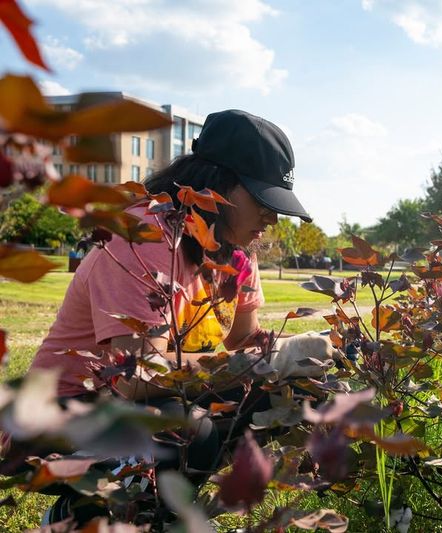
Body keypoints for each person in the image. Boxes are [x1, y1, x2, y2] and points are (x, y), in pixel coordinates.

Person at [26, 109, 329, 523]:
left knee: (296, 390)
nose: (272, 219)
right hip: (63, 413)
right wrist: (268, 360)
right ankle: (87, 516)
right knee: (188, 427)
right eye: (262, 200)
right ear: (217, 185)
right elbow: (135, 378)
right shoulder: (148, 235)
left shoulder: (235, 252)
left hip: (144, 403)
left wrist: (301, 356)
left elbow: (243, 342)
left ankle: (157, 505)